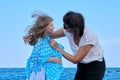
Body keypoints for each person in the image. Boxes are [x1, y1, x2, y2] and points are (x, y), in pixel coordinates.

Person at [49, 11, 106, 80]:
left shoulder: (88, 37)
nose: (64, 28)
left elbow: (75, 60)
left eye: (66, 26)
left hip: (95, 66)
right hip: (82, 65)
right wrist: (37, 34)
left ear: (75, 28)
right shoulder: (66, 31)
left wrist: (58, 48)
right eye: (64, 25)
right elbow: (49, 36)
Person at [24, 13, 64, 80]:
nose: (53, 27)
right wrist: (53, 59)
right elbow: (35, 58)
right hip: (40, 72)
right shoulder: (40, 41)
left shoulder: (46, 39)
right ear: (44, 27)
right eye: (51, 25)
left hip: (45, 71)